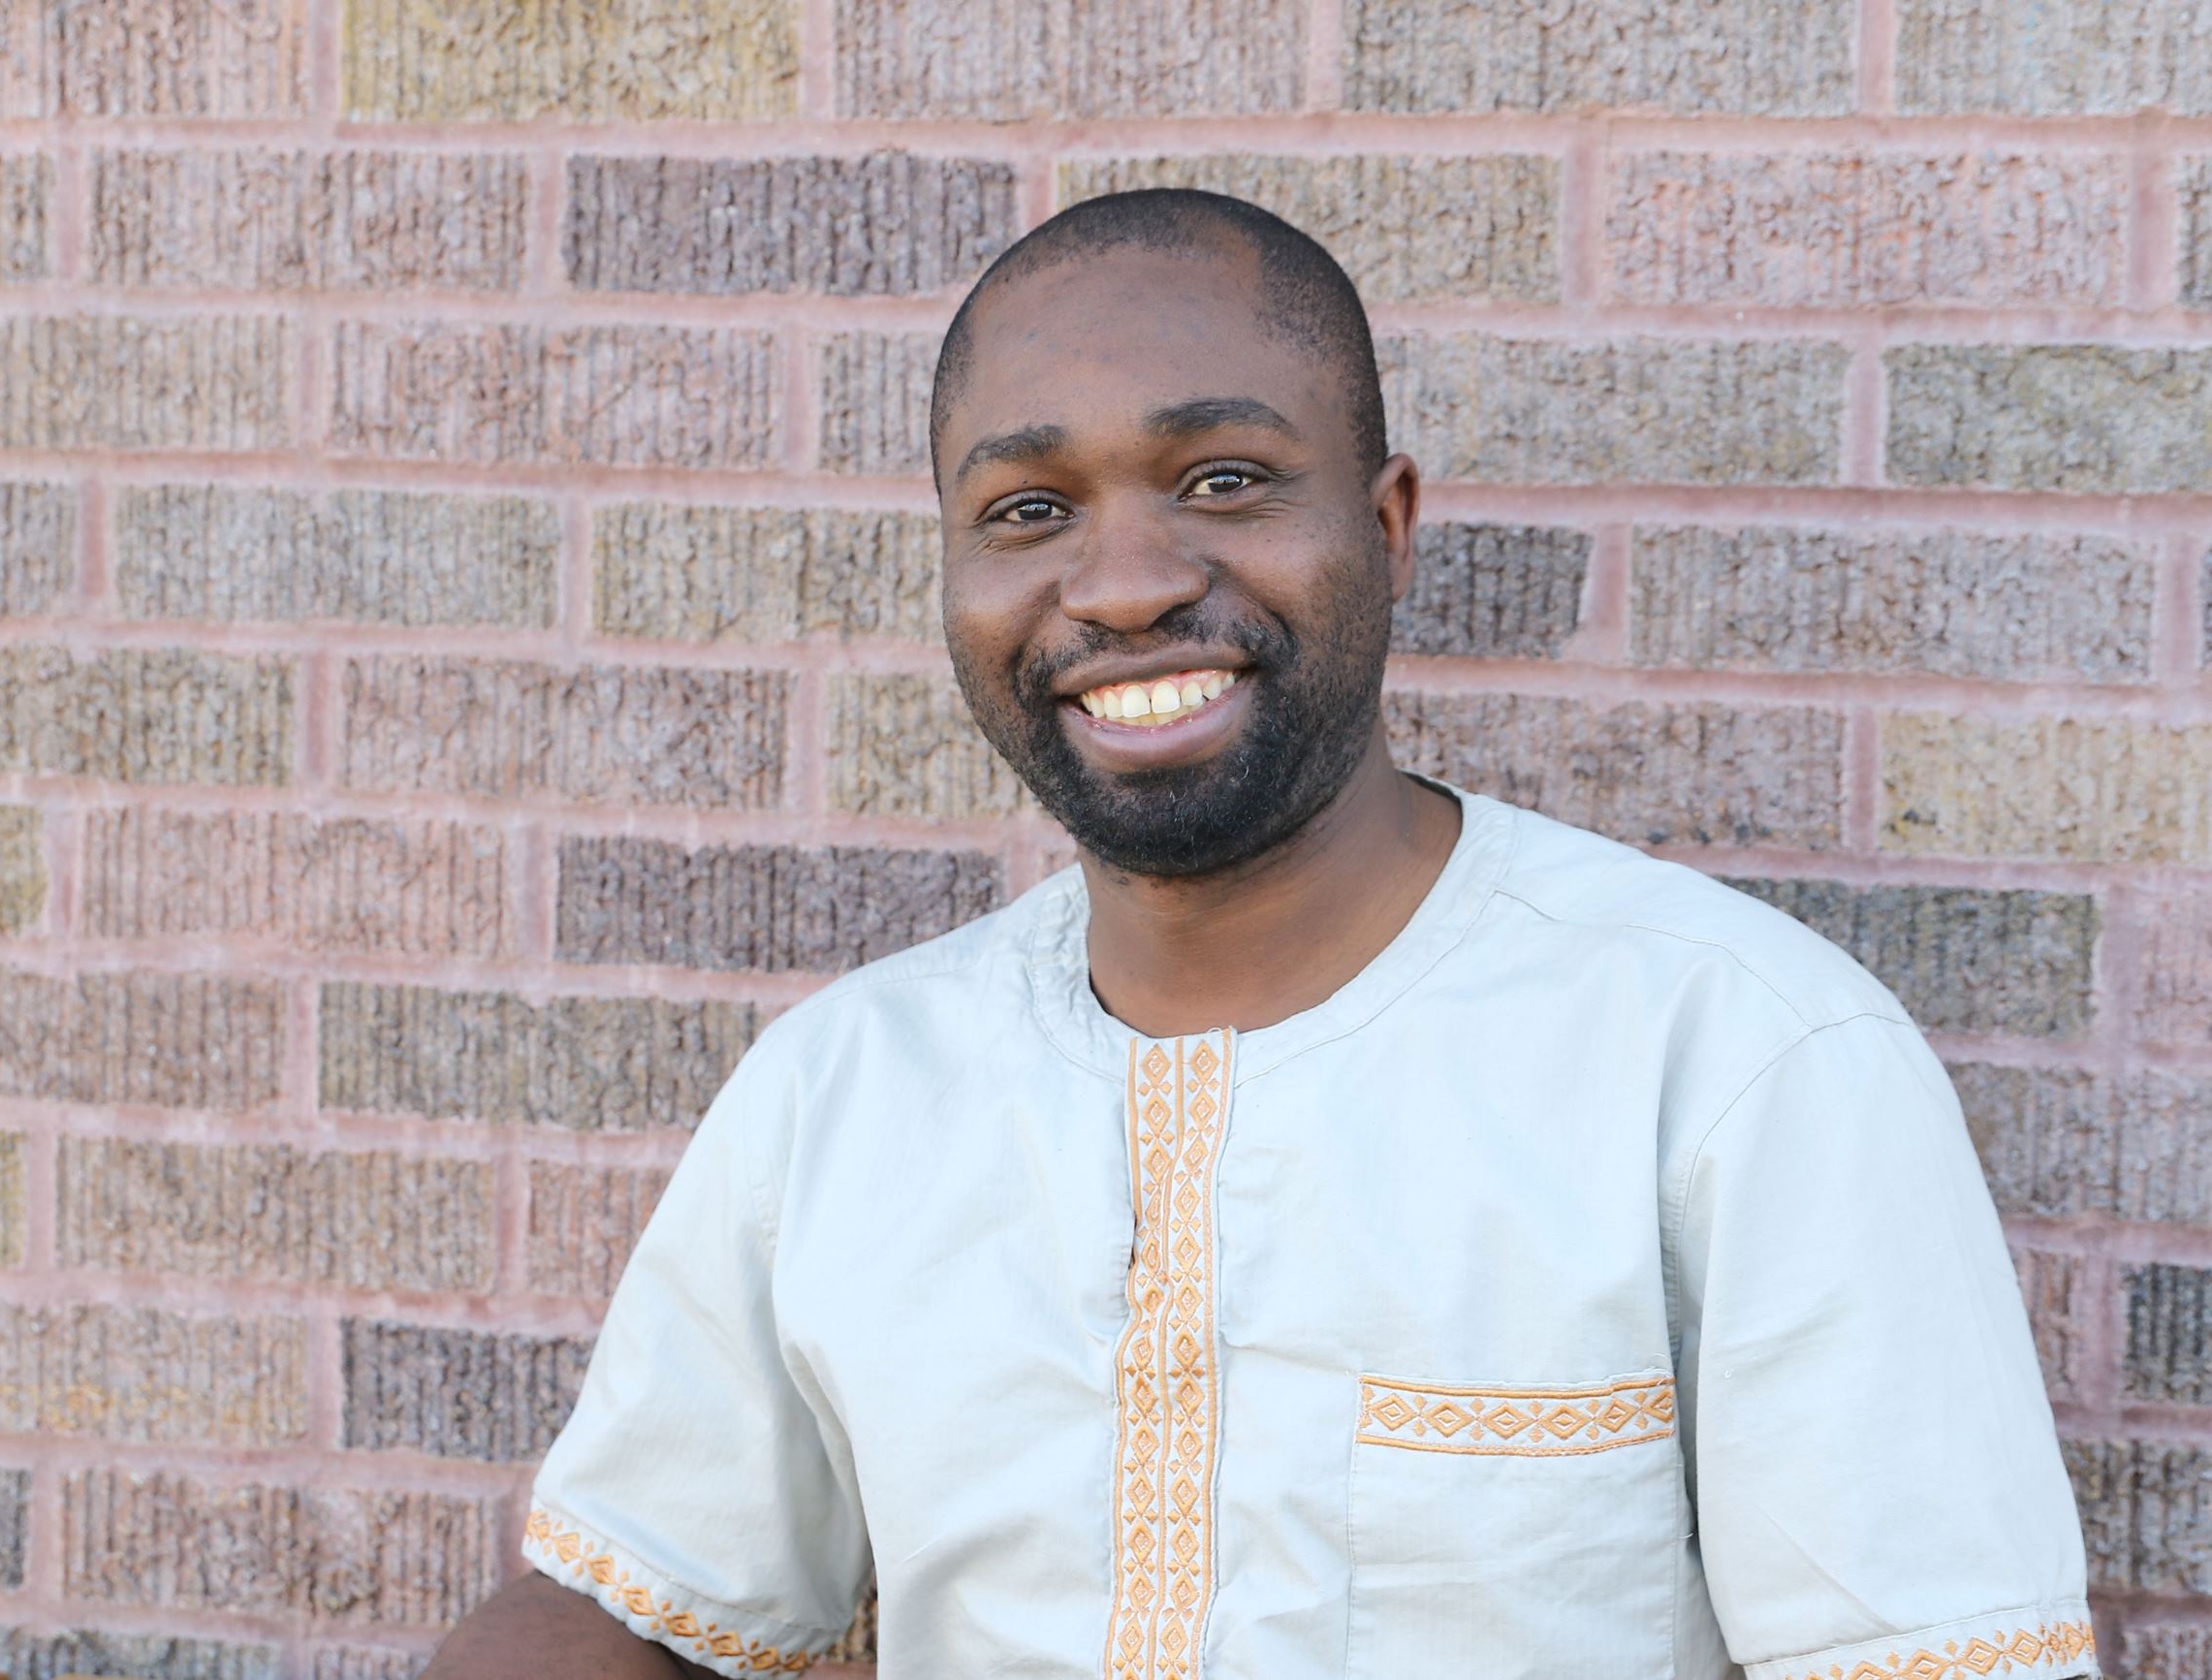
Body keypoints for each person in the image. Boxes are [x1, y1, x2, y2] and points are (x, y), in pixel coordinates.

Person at [421, 190, 2093, 1680]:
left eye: (1224, 479)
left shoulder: (1740, 1061)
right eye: (1027, 509)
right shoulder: (841, 1089)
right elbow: (638, 1603)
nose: (1126, 578)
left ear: (1386, 525)